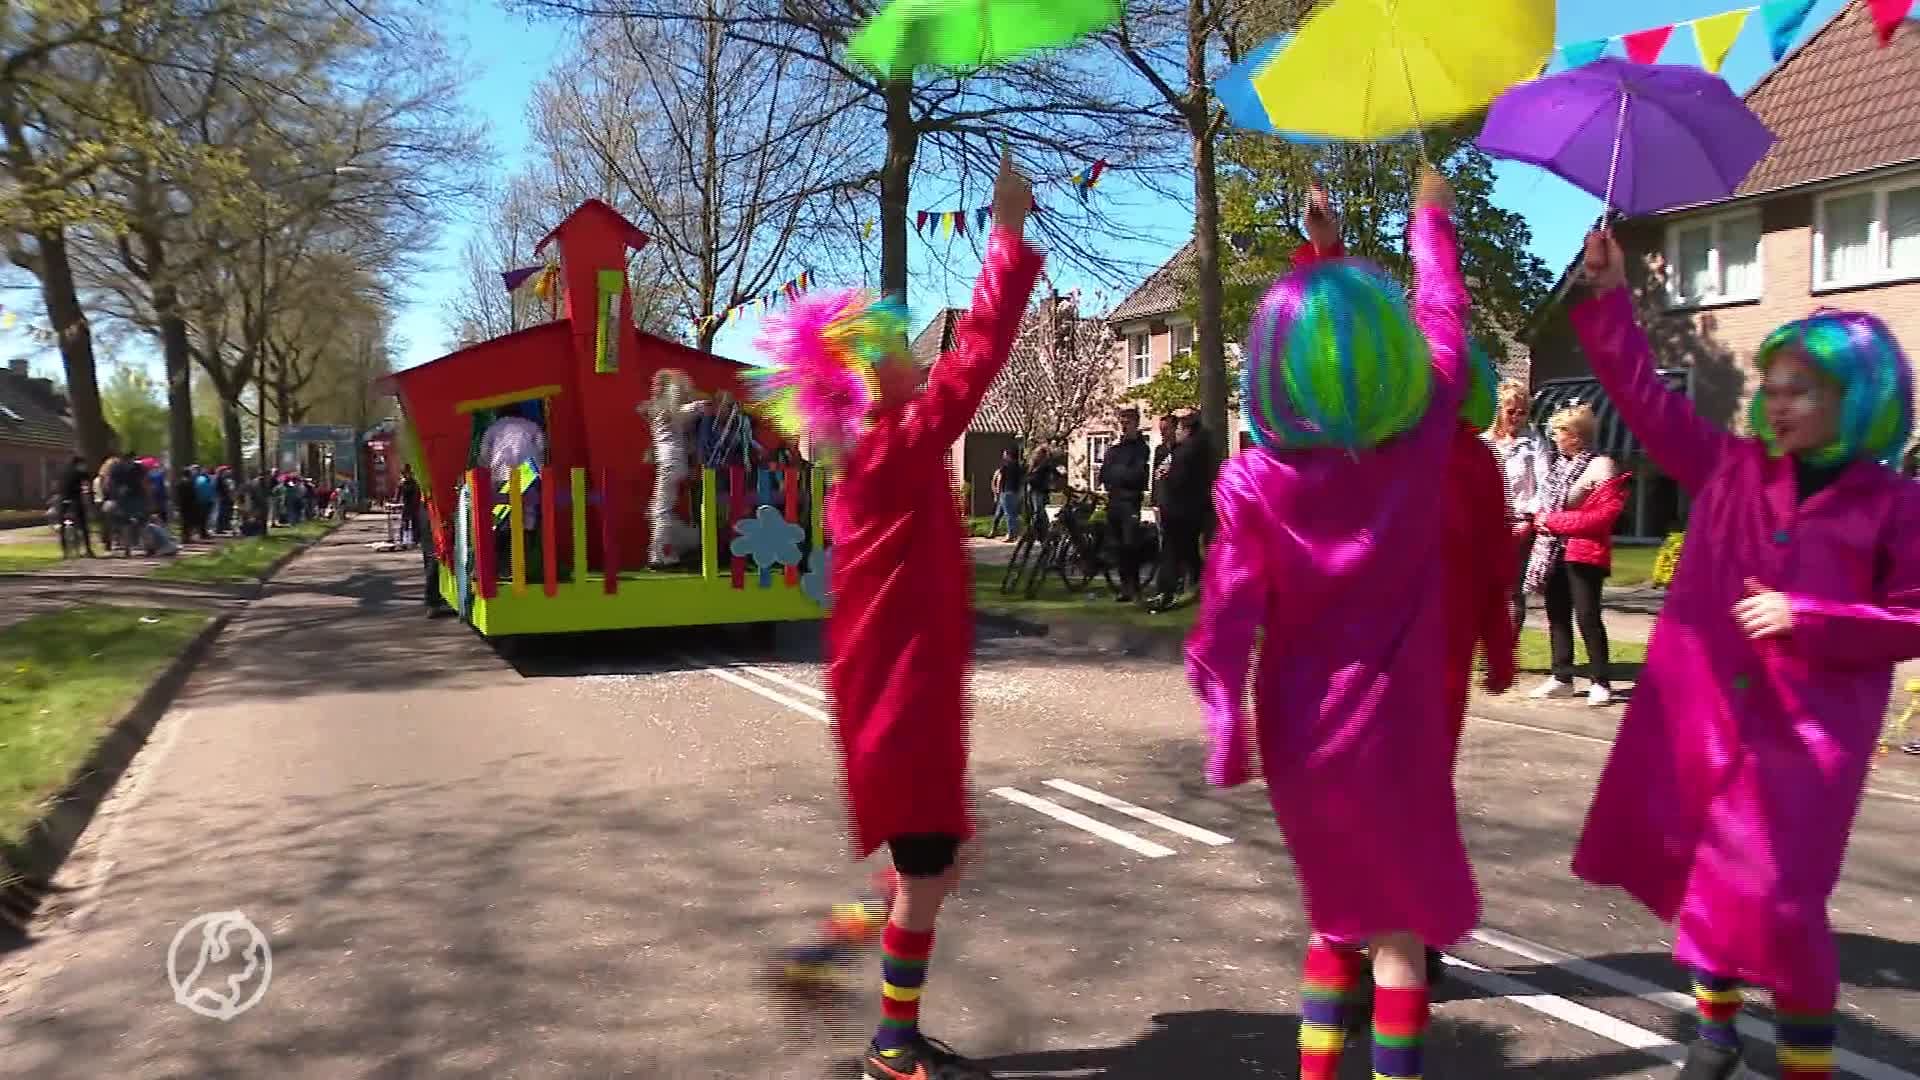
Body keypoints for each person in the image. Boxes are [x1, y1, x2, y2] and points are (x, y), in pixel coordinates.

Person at [1569, 227, 1920, 1080]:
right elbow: (1645, 400)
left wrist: (1811, 616)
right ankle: (1716, 1032)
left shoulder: (1893, 503)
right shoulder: (1731, 467)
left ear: (1857, 397)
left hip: (1811, 744)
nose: (1780, 402)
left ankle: (1805, 1060)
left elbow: (1912, 618)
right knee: (1709, 881)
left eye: (1804, 388)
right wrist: (1609, 298)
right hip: (1707, 725)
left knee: (1787, 908)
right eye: (1774, 386)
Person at [746, 150, 1041, 1080]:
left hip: (899, 692)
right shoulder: (900, 447)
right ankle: (891, 1041)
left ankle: (831, 946)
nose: (918, 354)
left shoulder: (869, 458)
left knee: (937, 864)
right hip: (905, 702)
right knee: (928, 870)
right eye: (900, 348)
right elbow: (979, 355)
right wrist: (1004, 239)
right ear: (870, 379)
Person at [1187, 169, 1472, 1080]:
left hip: (1304, 735)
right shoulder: (1418, 448)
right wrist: (1430, 223)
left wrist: (1225, 720)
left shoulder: (1256, 484)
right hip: (1400, 725)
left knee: (1335, 920)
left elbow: (1225, 618)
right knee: (1397, 933)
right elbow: (1442, 325)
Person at [1522, 403, 1629, 706]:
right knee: (1557, 615)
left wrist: (1552, 521)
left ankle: (1600, 681)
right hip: (1552, 551)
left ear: (1576, 435)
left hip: (1585, 553)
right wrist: (1539, 519)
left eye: (1559, 431)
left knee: (1587, 616)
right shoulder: (1558, 466)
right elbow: (1542, 506)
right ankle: (1561, 676)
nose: (1555, 437)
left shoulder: (1601, 466)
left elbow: (1603, 517)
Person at [1483, 379, 1549, 631]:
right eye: (1511, 411)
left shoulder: (1534, 442)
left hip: (1520, 525)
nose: (1516, 418)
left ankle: (1508, 646)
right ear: (1499, 410)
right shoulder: (1484, 441)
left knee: (1512, 591)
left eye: (1522, 413)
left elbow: (1545, 484)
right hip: (1486, 524)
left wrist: (1528, 519)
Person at [1144, 413, 1213, 612]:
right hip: (1183, 510)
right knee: (1188, 552)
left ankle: (1165, 592)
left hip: (1180, 510)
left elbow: (1177, 480)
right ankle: (1203, 585)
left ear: (1187, 430)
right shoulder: (1188, 450)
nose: (1176, 433)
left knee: (1171, 553)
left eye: (1179, 429)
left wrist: (1167, 476)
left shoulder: (1186, 452)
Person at [1097, 407, 1150, 602]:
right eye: (1122, 422)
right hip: (1115, 500)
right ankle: (1124, 586)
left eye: (1128, 422)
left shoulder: (1141, 448)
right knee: (1118, 545)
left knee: (1130, 544)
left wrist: (1117, 473)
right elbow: (1104, 474)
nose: (1124, 426)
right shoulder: (1115, 449)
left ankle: (1134, 586)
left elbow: (1137, 475)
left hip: (1130, 501)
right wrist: (1119, 473)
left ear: (1136, 423)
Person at [1291, 184, 1346, 271]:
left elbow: (1326, 212)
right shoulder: (1310, 219)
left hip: (1330, 257)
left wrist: (1319, 198)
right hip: (1317, 258)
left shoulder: (1329, 218)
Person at [59, 456, 97, 557]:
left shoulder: (63, 471)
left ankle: (65, 551)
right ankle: (88, 549)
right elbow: (87, 485)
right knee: (83, 525)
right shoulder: (80, 472)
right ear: (79, 464)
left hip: (62, 501)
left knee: (62, 526)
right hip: (75, 500)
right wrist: (90, 496)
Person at [987, 447, 1024, 540]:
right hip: (1014, 492)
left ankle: (1011, 535)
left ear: (1009, 455)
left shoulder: (1006, 466)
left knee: (1009, 514)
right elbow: (1022, 481)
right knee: (1001, 513)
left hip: (1006, 492)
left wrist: (996, 493)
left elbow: (999, 479)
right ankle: (994, 531)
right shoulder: (1019, 466)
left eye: (1005, 454)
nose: (1003, 456)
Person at [398, 466, 421, 546]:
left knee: (415, 522)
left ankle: (415, 539)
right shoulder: (403, 483)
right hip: (407, 505)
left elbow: (417, 494)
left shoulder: (414, 483)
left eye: (409, 474)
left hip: (413, 505)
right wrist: (396, 501)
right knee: (405, 522)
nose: (407, 475)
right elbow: (398, 494)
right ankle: (404, 539)